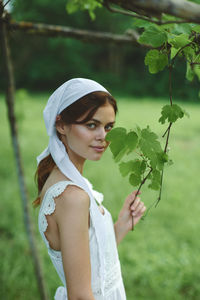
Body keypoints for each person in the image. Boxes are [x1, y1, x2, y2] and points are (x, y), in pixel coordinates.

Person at [34, 78, 146, 300]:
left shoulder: (71, 183)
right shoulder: (72, 197)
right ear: (61, 125)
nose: (103, 137)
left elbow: (91, 264)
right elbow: (80, 296)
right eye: (91, 125)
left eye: (108, 127)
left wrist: (121, 225)